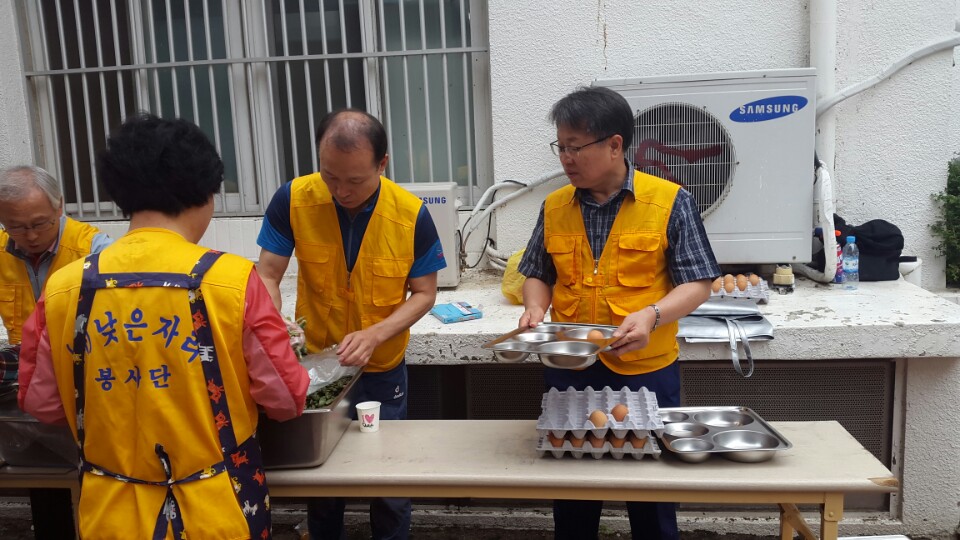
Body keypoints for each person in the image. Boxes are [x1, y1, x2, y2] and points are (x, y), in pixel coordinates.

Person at [18, 114, 310, 539]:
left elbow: (41, 403)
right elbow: (286, 397)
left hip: (109, 513)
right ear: (205, 193)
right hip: (218, 511)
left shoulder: (64, 288)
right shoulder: (230, 281)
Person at [517, 86, 721, 540]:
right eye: (560, 147)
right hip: (570, 367)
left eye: (575, 147)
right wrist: (534, 306)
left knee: (651, 493)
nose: (566, 158)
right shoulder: (555, 206)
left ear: (614, 145)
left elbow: (698, 283)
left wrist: (652, 314)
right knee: (573, 491)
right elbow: (536, 273)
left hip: (646, 370)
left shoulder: (669, 201)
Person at [257, 109, 445, 540]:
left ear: (382, 163)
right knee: (321, 477)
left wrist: (376, 333)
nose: (341, 191)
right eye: (330, 176)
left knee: (389, 477)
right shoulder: (293, 199)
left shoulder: (411, 215)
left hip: (381, 368)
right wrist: (274, 320)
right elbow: (267, 273)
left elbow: (425, 293)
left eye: (355, 180)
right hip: (316, 366)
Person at [0, 164, 112, 539]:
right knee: (42, 474)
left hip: (88, 379)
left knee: (96, 478)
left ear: (60, 205)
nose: (30, 236)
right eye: (16, 227)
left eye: (40, 223)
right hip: (31, 384)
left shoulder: (95, 249)